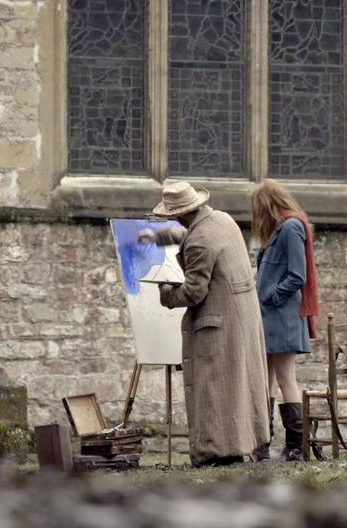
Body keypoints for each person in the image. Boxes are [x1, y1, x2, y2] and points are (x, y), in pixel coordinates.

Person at [139, 181, 269, 467]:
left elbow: (195, 291)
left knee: (213, 387)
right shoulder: (222, 218)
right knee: (236, 385)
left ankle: (217, 451)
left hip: (219, 320)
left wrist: (166, 293)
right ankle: (239, 444)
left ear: (178, 214)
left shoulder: (199, 240)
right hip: (242, 313)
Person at [250, 179, 320, 462]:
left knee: (284, 377)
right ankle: (261, 444)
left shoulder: (291, 227)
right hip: (269, 316)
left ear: (267, 204)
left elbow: (297, 276)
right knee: (262, 379)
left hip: (283, 316)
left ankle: (295, 446)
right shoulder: (278, 231)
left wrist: (271, 296)